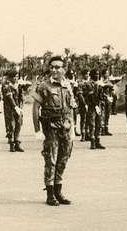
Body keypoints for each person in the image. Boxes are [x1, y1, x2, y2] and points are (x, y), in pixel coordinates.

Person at [31, 55, 75, 206]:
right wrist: (37, 130)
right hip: (51, 128)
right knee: (51, 160)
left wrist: (73, 128)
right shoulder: (43, 86)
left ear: (64, 69)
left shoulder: (68, 85)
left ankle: (58, 190)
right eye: (52, 67)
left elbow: (71, 107)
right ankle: (50, 193)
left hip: (66, 127)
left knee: (63, 159)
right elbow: (35, 108)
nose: (55, 70)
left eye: (58, 67)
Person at [2, 70, 24, 152]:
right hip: (10, 108)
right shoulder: (7, 86)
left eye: (17, 77)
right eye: (14, 77)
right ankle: (11, 144)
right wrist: (15, 107)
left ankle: (17, 142)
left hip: (18, 107)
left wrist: (21, 107)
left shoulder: (18, 85)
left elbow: (21, 97)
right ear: (10, 78)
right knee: (11, 125)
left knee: (18, 124)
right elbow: (10, 97)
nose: (16, 78)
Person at [85, 70, 105, 150]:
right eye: (95, 74)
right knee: (92, 125)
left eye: (98, 74)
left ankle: (98, 141)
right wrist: (96, 105)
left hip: (99, 106)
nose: (97, 75)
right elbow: (91, 96)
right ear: (92, 75)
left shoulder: (99, 84)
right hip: (92, 107)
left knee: (99, 124)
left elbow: (101, 95)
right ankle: (92, 142)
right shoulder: (89, 84)